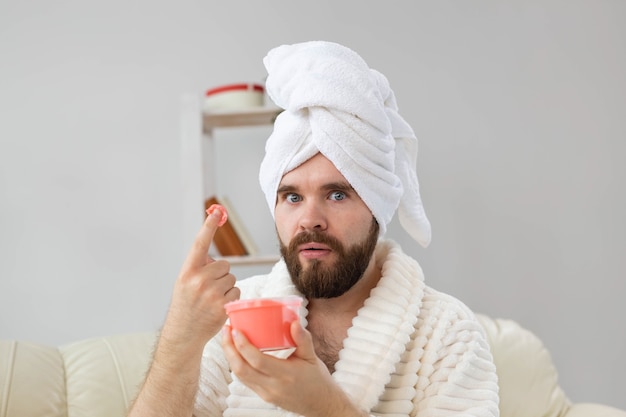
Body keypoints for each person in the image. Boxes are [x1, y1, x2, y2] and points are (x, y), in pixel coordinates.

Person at [128, 41, 499, 417]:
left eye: (337, 194)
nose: (310, 219)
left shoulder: (446, 332)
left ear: (377, 206)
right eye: (291, 197)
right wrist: (179, 338)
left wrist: (326, 407)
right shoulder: (235, 315)